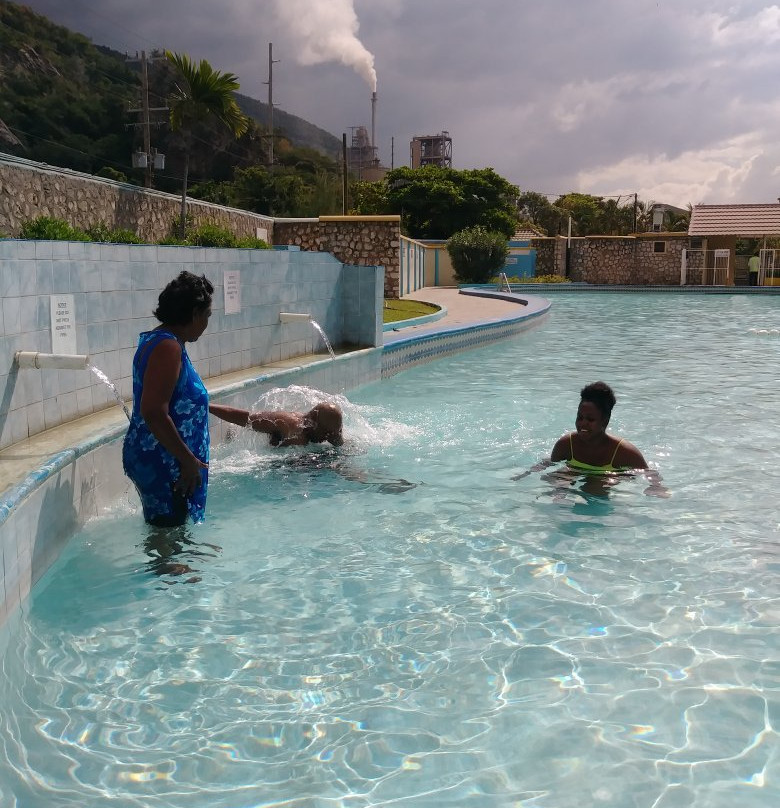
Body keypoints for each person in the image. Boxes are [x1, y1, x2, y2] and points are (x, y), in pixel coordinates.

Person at [123, 271, 214, 526]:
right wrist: (188, 460)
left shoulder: (163, 341)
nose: (207, 323)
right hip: (166, 460)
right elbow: (153, 411)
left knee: (170, 534)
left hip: (166, 456)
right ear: (194, 313)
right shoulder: (167, 347)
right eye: (207, 315)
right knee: (166, 536)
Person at [550, 381, 647, 472]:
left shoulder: (624, 452)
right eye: (580, 417)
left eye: (590, 419)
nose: (583, 423)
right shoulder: (566, 445)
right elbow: (550, 465)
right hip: (573, 473)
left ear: (605, 421)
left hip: (606, 477)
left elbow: (648, 474)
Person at [209, 401, 344, 447]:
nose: (327, 438)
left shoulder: (328, 429)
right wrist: (206, 405)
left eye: (334, 433)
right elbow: (246, 418)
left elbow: (340, 443)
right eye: (326, 433)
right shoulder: (287, 423)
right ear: (313, 424)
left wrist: (338, 441)